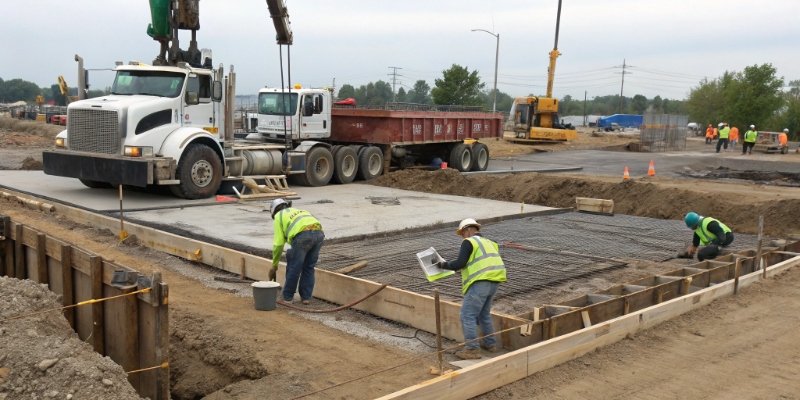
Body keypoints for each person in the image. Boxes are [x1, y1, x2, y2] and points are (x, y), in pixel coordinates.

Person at [436, 218, 507, 360]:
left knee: (467, 315)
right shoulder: (490, 242)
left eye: (462, 233)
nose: (462, 237)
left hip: (480, 282)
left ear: (467, 230)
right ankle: (490, 344)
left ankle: (472, 349)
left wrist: (442, 265)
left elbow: (460, 263)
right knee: (483, 314)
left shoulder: (469, 242)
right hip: (494, 281)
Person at [269, 198, 325, 305]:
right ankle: (306, 297)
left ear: (274, 211)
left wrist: (274, 265)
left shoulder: (278, 216)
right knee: (309, 267)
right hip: (319, 234)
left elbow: (278, 244)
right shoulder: (299, 211)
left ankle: (287, 298)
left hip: (302, 236)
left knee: (294, 266)